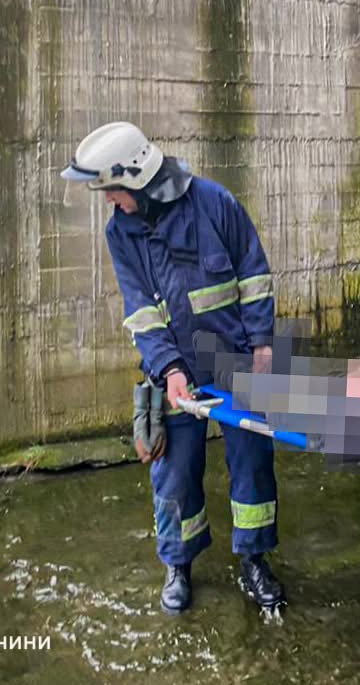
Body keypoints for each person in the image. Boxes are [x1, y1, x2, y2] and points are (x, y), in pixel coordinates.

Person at [61, 122, 286, 619]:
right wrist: (169, 369)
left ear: (136, 179)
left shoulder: (214, 203)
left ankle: (254, 558)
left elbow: (254, 275)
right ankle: (179, 565)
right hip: (174, 374)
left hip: (236, 362)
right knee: (175, 474)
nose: (108, 201)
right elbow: (140, 309)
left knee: (252, 464)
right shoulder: (121, 232)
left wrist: (264, 347)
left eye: (111, 190)